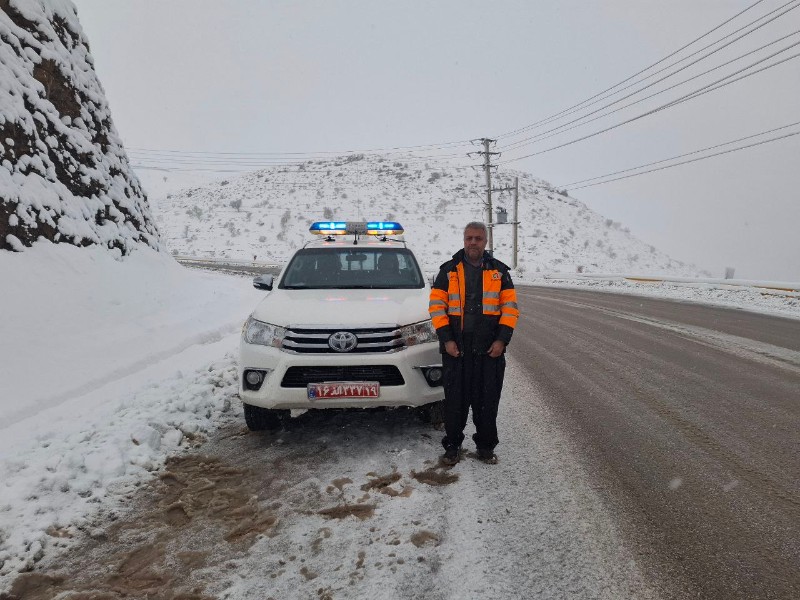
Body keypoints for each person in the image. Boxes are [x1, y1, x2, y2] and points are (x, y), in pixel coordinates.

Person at [428, 222, 519, 465]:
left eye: (478, 238)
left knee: (487, 402)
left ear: (485, 241)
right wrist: (447, 340)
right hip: (456, 349)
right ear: (464, 239)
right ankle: (452, 446)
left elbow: (510, 310)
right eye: (469, 238)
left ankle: (486, 447)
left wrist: (501, 340)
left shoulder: (500, 272)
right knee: (454, 402)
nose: (473, 242)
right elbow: (436, 308)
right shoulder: (448, 271)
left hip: (489, 350)